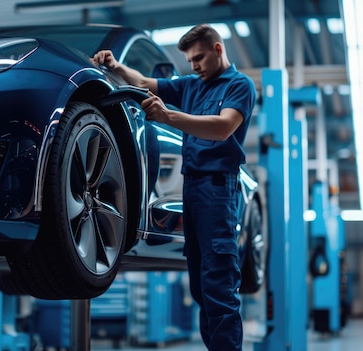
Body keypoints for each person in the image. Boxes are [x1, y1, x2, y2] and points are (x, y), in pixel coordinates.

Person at [93, 23, 256, 351]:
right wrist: (116, 66)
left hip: (218, 192)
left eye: (198, 58)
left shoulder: (240, 85)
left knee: (218, 286)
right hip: (192, 192)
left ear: (218, 49)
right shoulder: (192, 85)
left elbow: (223, 127)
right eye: (190, 60)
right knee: (200, 287)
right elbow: (142, 82)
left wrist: (169, 118)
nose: (194, 65)